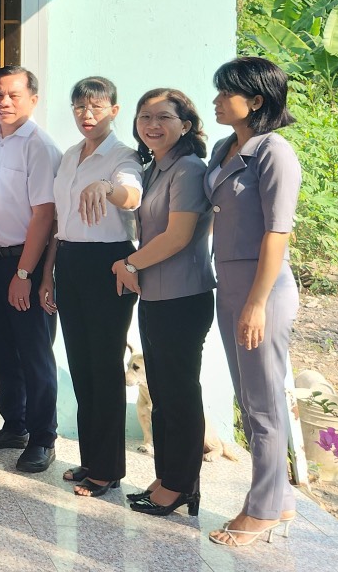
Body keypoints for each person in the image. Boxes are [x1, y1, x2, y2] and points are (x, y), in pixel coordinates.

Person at [204, 57, 301, 547]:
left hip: (264, 289)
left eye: (227, 93)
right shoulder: (224, 148)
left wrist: (257, 303)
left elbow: (276, 233)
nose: (217, 101)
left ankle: (262, 510)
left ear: (256, 101)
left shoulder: (273, 152)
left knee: (263, 402)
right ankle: (278, 499)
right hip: (230, 284)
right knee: (249, 397)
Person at [109, 88, 214, 518]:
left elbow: (178, 236)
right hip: (155, 295)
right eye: (145, 116)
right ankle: (168, 477)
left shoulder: (188, 169)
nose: (152, 124)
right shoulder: (153, 169)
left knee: (179, 395)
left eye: (163, 117)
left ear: (185, 125)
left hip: (183, 297)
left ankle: (181, 484)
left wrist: (128, 263)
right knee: (163, 395)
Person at [46, 76, 143, 498]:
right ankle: (91, 460)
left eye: (97, 107)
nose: (87, 115)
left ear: (114, 111)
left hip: (108, 263)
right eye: (80, 107)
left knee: (103, 367)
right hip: (69, 260)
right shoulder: (70, 155)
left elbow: (132, 195)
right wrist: (49, 272)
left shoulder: (123, 155)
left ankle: (108, 470)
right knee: (81, 365)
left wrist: (107, 187)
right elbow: (60, 220)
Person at [0, 65, 61, 474]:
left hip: (26, 261)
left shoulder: (39, 146)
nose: (3, 102)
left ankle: (43, 438)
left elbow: (44, 215)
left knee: (34, 354)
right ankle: (15, 426)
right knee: (2, 349)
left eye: (13, 95)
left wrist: (24, 275)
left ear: (33, 100)